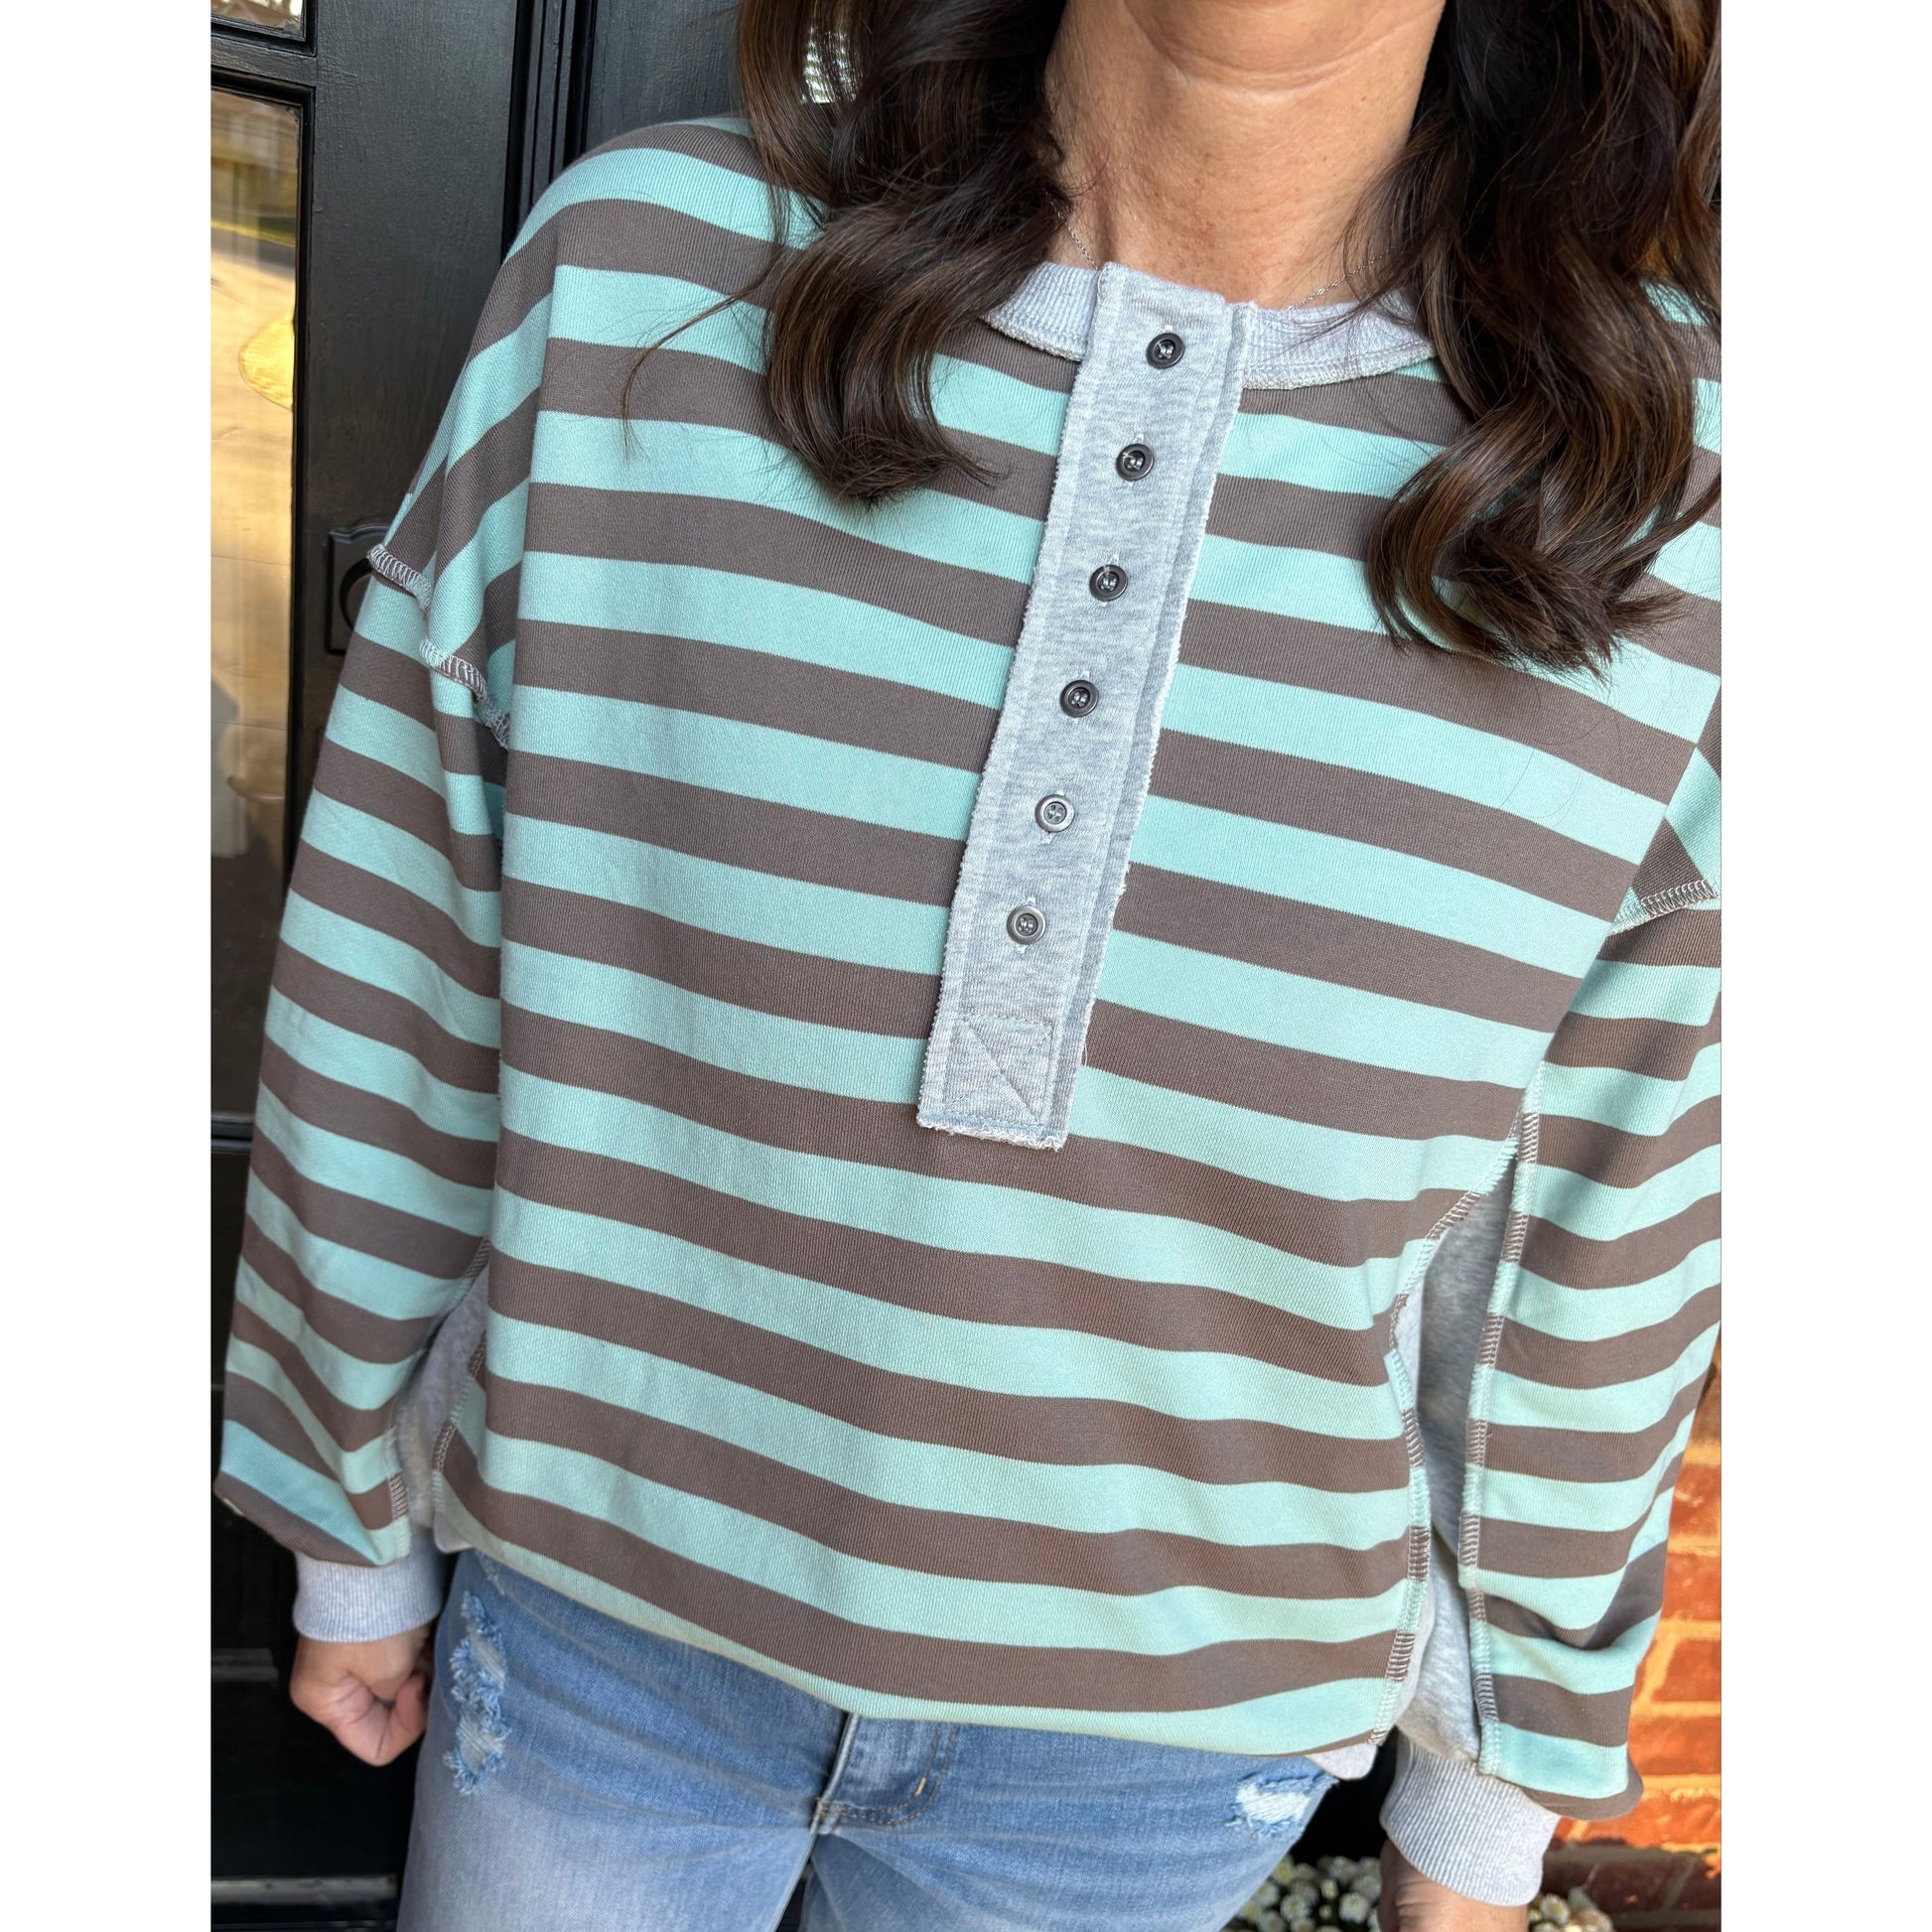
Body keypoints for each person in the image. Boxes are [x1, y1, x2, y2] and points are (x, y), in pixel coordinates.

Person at [214, 0, 1721, 1926]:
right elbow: (411, 945)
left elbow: (1610, 1201)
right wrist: (345, 1526)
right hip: (605, 1619)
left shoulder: (1667, 474)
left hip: (1162, 1742)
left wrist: (1493, 1779)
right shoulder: (641, 283)